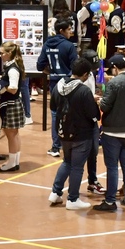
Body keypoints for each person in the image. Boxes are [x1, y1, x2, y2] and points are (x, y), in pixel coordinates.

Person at [95, 54, 125, 212]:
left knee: (112, 167)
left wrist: (99, 101)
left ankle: (110, 202)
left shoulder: (115, 83)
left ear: (115, 68)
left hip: (114, 131)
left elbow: (105, 106)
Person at [48, 59, 99, 210]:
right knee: (77, 167)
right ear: (85, 74)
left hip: (63, 131)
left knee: (67, 162)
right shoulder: (84, 91)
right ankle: (72, 199)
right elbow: (93, 114)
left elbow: (53, 106)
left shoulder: (59, 86)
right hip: (81, 134)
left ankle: (56, 193)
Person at [38, 18, 77, 158]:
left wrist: (52, 73)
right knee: (71, 113)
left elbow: (40, 65)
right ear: (62, 30)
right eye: (69, 29)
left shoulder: (47, 44)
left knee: (55, 115)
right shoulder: (69, 46)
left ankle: (55, 147)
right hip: (68, 82)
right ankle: (71, 145)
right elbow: (75, 66)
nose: (71, 31)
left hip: (54, 84)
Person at [0, 42, 26, 173]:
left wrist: (1, 87)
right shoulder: (12, 67)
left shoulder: (12, 69)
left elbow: (13, 89)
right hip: (13, 104)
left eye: (2, 53)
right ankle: (15, 161)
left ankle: (12, 163)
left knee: (11, 135)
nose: (0, 55)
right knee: (14, 134)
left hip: (11, 104)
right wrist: (1, 78)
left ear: (9, 53)